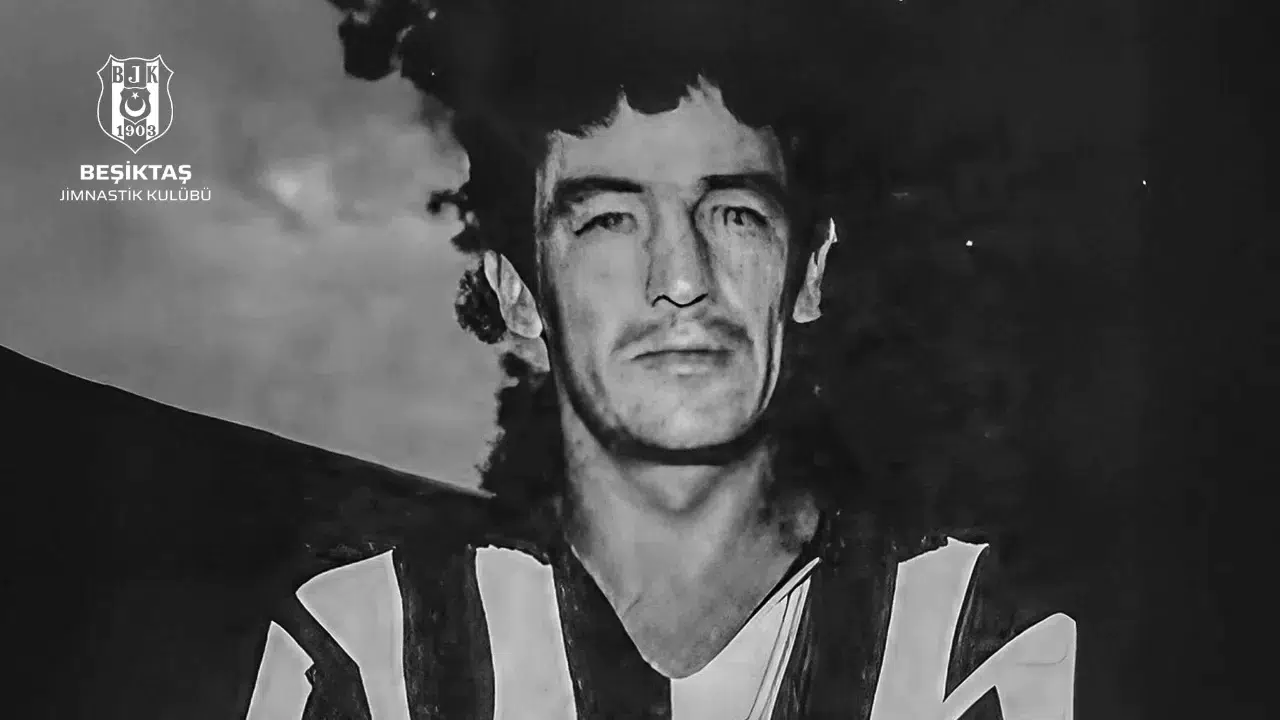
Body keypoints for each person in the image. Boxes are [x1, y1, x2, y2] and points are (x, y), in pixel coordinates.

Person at [240, 1, 1078, 718]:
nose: (681, 278)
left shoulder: (980, 641)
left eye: (736, 213)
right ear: (519, 293)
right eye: (608, 220)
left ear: (809, 273)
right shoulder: (365, 652)